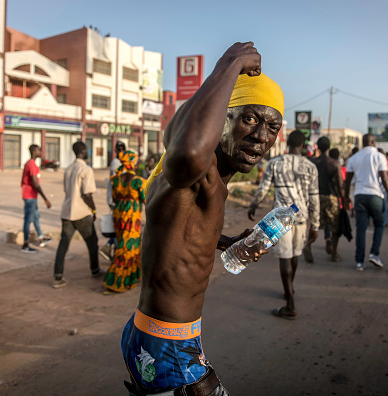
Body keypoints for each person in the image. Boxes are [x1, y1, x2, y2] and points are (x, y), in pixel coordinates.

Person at [121, 42, 283, 395]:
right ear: (222, 119)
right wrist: (230, 63)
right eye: (250, 118)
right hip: (171, 347)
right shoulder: (198, 168)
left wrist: (225, 242)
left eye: (273, 126)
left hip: (151, 334)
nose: (261, 136)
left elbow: (178, 238)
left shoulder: (214, 180)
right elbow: (186, 143)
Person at [249, 130, 319, 319]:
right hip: (302, 218)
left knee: (285, 258)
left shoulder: (275, 163)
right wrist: (316, 225)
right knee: (294, 255)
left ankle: (290, 305)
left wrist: (254, 204)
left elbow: (264, 188)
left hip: (280, 219)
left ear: (288, 144)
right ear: (303, 145)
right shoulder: (311, 166)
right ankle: (290, 290)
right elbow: (314, 198)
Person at [53, 141, 103, 288]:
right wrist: (93, 210)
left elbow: (67, 190)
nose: (88, 152)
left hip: (67, 211)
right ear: (82, 152)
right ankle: (95, 270)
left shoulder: (68, 169)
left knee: (63, 244)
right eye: (87, 150)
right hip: (81, 212)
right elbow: (87, 194)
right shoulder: (86, 169)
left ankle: (58, 276)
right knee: (92, 242)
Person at [344, 134, 388, 271]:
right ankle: (374, 253)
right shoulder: (379, 157)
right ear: (373, 142)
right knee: (379, 225)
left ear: (363, 142)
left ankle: (359, 261)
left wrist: (345, 197)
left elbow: (347, 180)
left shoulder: (353, 158)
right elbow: (385, 179)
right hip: (375, 196)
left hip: (359, 195)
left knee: (361, 229)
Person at [103, 151, 146, 294]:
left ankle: (132, 277)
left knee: (126, 244)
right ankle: (115, 281)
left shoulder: (116, 180)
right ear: (133, 163)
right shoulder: (139, 181)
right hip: (132, 219)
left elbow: (114, 199)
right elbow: (145, 199)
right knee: (127, 248)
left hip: (119, 216)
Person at [310, 136, 343, 262]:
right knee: (334, 226)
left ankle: (308, 245)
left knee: (314, 224)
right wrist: (344, 199)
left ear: (317, 146)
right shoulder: (333, 164)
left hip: (314, 197)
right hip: (330, 197)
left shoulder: (311, 162)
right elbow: (340, 185)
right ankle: (334, 252)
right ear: (329, 147)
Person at [20, 144, 52, 253]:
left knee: (36, 216)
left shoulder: (29, 163)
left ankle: (41, 237)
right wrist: (45, 199)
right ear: (34, 152)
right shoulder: (32, 165)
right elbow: (35, 184)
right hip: (30, 196)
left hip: (31, 195)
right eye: (39, 150)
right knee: (28, 220)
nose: (40, 152)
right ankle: (25, 244)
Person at [101, 141, 127, 261]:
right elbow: (118, 183)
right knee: (118, 227)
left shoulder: (119, 163)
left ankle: (109, 247)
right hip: (115, 200)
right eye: (119, 150)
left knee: (118, 227)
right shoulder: (117, 164)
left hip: (117, 199)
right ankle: (113, 252)